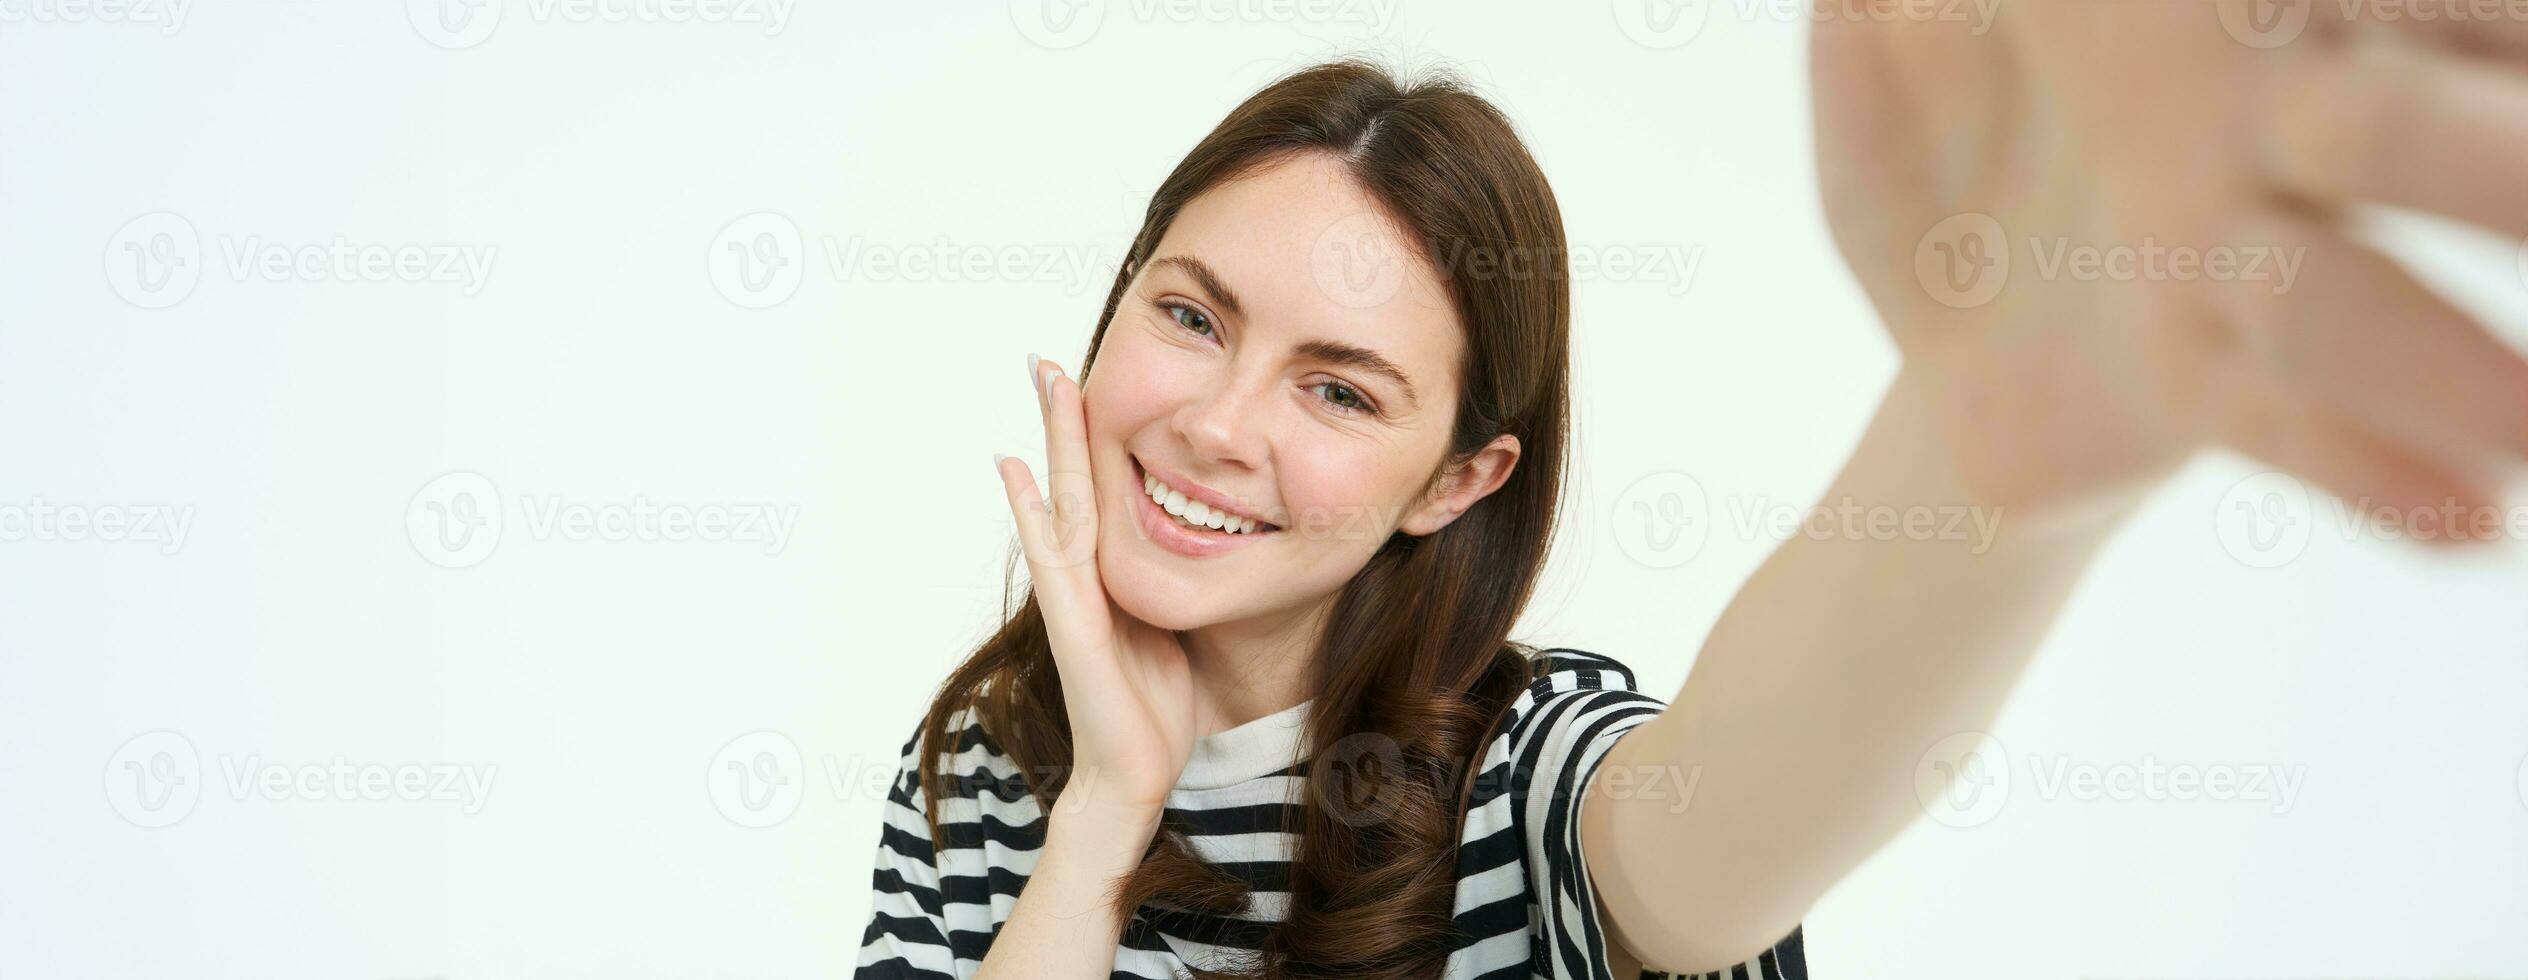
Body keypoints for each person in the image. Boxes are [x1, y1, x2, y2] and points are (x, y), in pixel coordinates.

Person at [857, 5, 2528, 975]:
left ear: (1461, 481)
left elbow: (1715, 838)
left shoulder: (1528, 778)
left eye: (1340, 387)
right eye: (1191, 312)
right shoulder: (978, 792)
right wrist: (1094, 830)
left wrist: (1982, 443)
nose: (1217, 424)